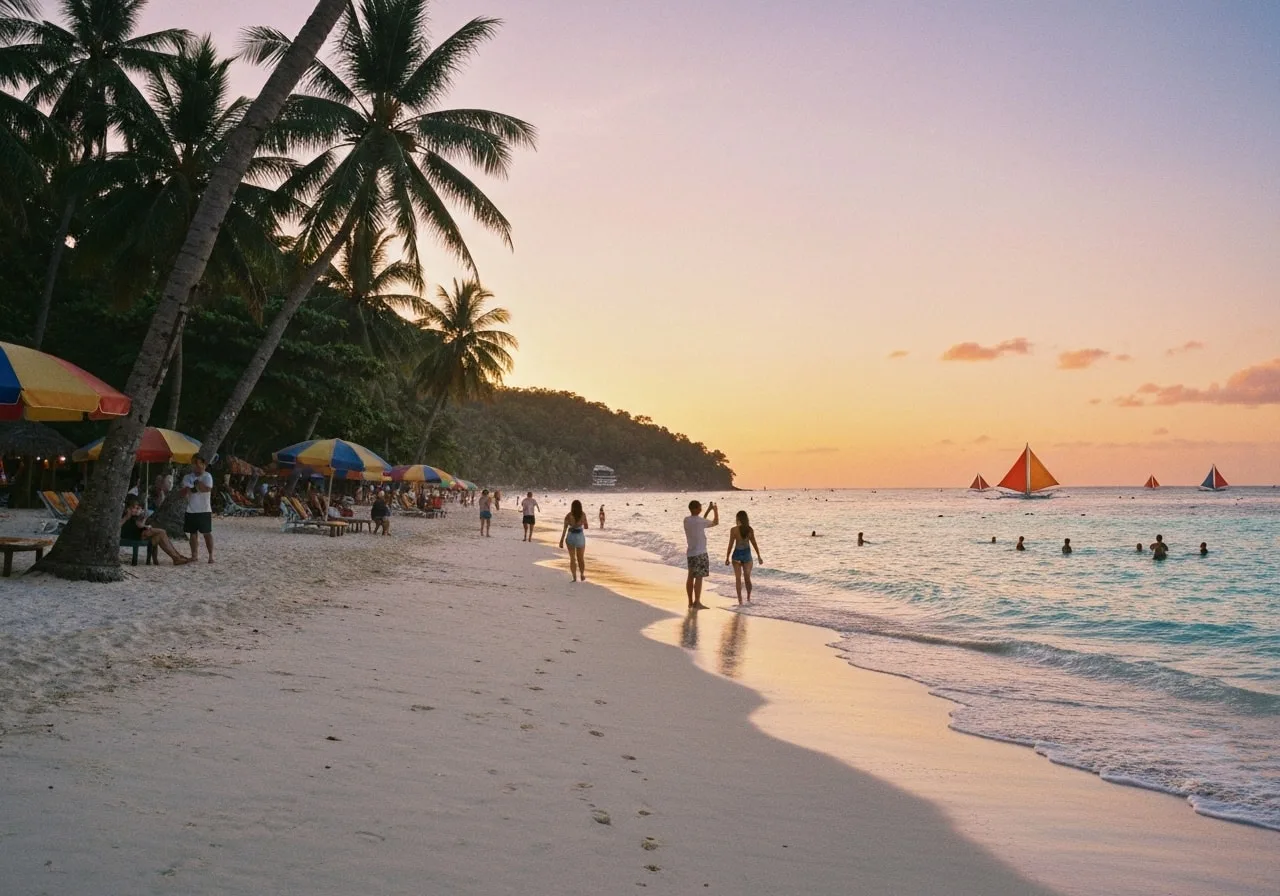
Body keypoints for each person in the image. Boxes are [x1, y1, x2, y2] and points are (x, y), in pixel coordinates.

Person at [121, 496, 191, 565]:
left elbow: (139, 525)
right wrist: (127, 517)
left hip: (139, 534)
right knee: (162, 531)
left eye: (137, 508)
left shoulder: (134, 516)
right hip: (131, 536)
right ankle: (176, 557)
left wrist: (144, 518)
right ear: (128, 508)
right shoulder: (124, 515)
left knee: (160, 535)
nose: (136, 510)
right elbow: (130, 526)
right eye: (134, 508)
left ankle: (177, 557)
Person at [684, 500, 719, 608]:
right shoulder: (700, 521)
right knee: (699, 577)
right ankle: (697, 602)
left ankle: (690, 602)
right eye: (699, 507)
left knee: (690, 576)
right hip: (701, 553)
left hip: (691, 553)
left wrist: (708, 510)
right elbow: (715, 522)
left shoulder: (686, 520)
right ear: (695, 509)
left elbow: (702, 521)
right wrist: (715, 511)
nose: (701, 509)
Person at [180, 454, 215, 563]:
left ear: (204, 465)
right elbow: (185, 492)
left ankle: (211, 555)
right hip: (191, 509)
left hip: (204, 509)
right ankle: (194, 555)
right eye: (195, 464)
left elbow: (207, 489)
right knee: (192, 534)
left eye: (200, 464)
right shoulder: (187, 477)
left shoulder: (207, 476)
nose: (197, 466)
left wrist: (196, 484)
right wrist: (196, 486)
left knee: (207, 533)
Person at [724, 510, 762, 605]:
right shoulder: (750, 529)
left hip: (736, 555)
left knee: (738, 578)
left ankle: (740, 601)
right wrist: (759, 556)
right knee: (747, 578)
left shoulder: (733, 530)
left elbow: (731, 544)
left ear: (738, 519)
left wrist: (727, 557)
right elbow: (754, 543)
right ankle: (748, 598)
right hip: (747, 555)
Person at [558, 500, 589, 581]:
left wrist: (561, 541)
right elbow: (586, 526)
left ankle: (574, 577)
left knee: (572, 558)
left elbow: (564, 529)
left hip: (571, 536)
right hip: (580, 536)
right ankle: (582, 575)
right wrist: (581, 524)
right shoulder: (583, 514)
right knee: (581, 558)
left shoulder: (568, 515)